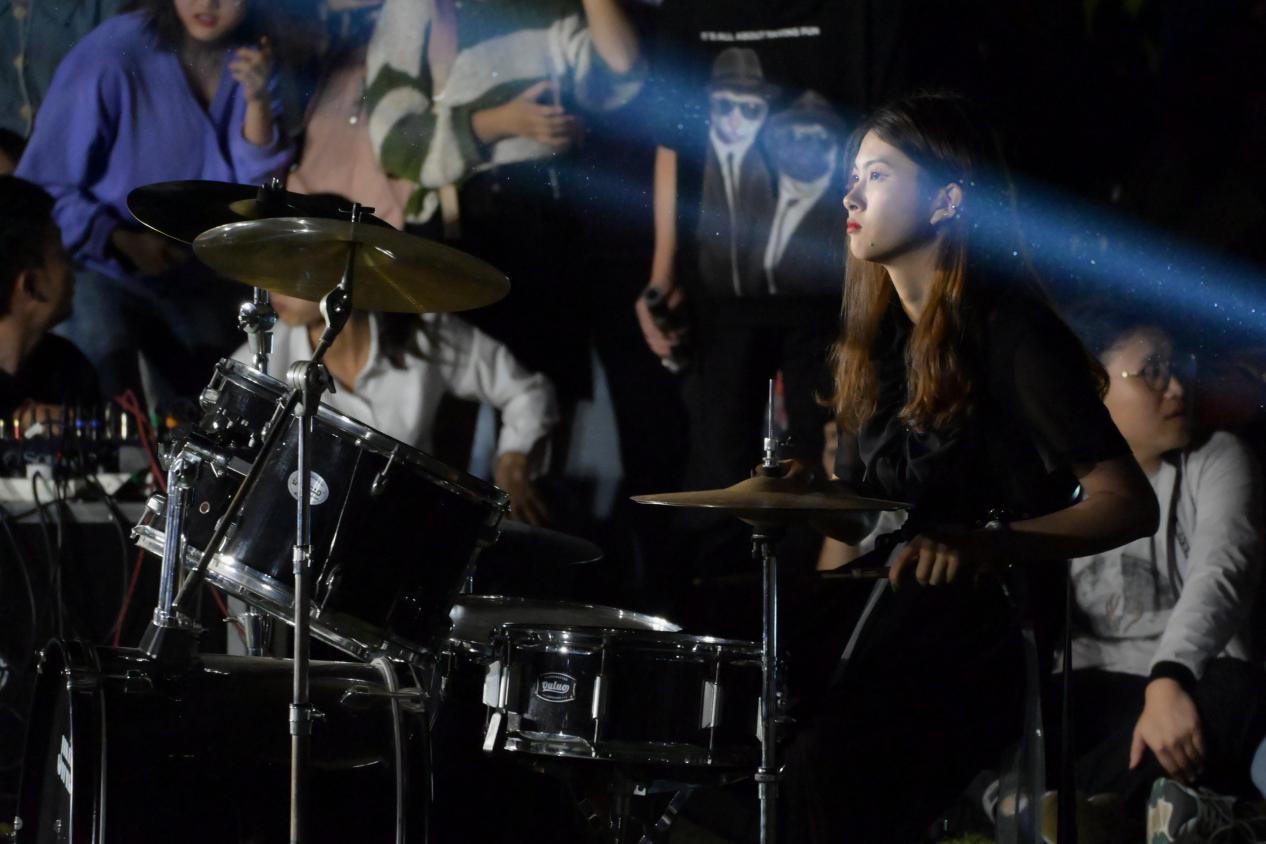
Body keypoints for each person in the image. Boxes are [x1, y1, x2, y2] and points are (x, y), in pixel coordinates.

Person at [780, 91, 1158, 842]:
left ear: (948, 199)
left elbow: (1127, 501)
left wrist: (988, 544)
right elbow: (873, 517)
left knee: (830, 765)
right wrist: (810, 497)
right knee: (770, 719)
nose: (850, 195)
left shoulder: (1014, 336)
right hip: (896, 609)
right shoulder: (874, 346)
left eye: (877, 176)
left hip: (987, 630)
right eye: (852, 177)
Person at [364, 0, 643, 410]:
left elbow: (620, 77)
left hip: (551, 221)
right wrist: (494, 123)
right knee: (456, 407)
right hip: (462, 224)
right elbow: (392, 141)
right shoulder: (416, 7)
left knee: (543, 405)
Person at [16, 0, 293, 408]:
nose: (207, 3)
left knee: (223, 404)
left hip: (198, 275)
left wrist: (258, 103)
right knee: (113, 385)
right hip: (101, 266)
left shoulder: (256, 59)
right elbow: (41, 186)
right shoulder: (114, 51)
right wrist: (119, 240)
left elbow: (256, 196)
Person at [1059, 302, 1266, 843]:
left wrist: (1169, 678)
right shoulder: (1059, 487)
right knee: (1051, 703)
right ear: (1094, 388)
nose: (1176, 388)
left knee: (1234, 690)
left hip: (1198, 678)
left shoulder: (1217, 458)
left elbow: (1221, 570)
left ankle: (1053, 805)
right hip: (1106, 686)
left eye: (1178, 368)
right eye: (1151, 372)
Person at [233, 292, 558, 525]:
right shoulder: (261, 355)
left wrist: (513, 459)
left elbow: (528, 391)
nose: (273, 286)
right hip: (303, 538)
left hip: (409, 533)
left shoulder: (424, 332)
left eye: (293, 270)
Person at [0, 176, 99, 424]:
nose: (71, 268)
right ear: (30, 284)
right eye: (60, 256)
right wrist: (17, 425)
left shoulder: (69, 367)